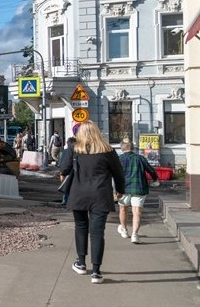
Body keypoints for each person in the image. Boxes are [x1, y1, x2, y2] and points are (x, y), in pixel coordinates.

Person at [59, 120, 124, 284]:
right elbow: (118, 174)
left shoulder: (74, 149)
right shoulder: (108, 150)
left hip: (78, 195)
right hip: (101, 196)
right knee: (97, 232)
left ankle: (81, 263)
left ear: (80, 133)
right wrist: (120, 190)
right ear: (97, 132)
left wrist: (67, 152)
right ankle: (96, 272)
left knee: (81, 227)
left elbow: (64, 169)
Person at [117, 140, 158, 244]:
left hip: (123, 188)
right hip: (139, 187)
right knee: (137, 211)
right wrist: (155, 179)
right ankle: (135, 234)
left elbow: (114, 174)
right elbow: (151, 170)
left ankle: (124, 230)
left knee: (123, 209)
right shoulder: (140, 158)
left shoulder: (119, 159)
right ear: (133, 148)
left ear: (122, 149)